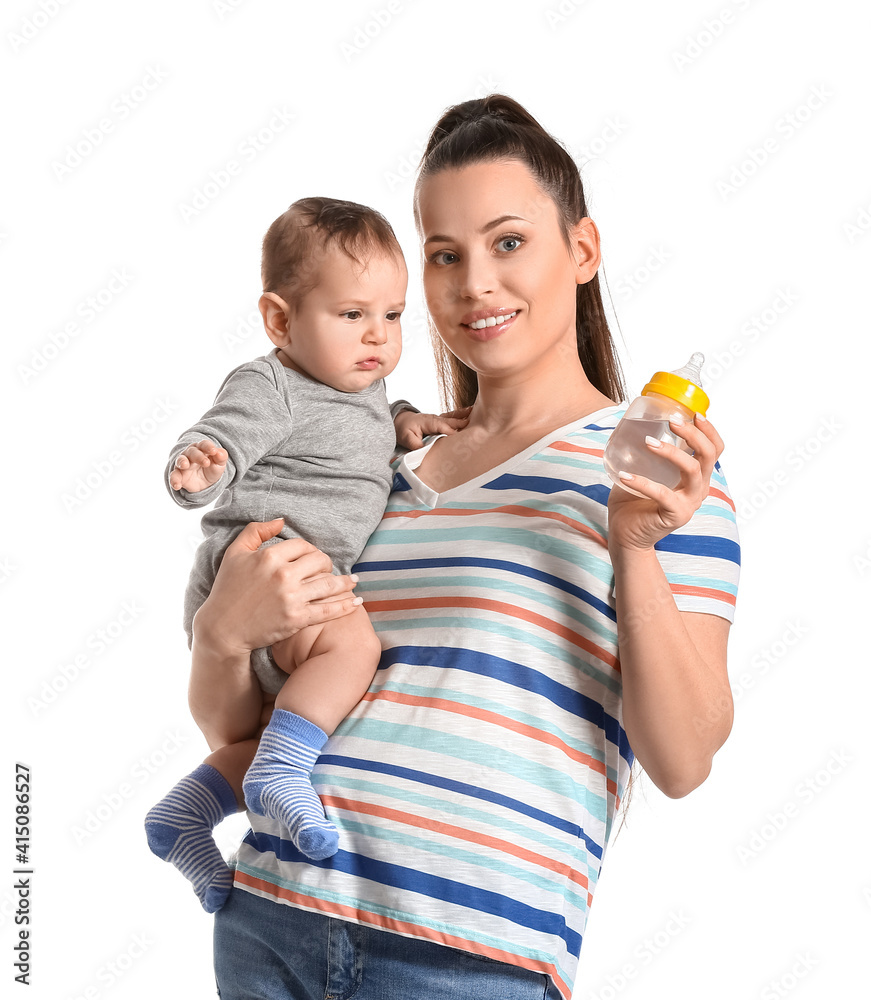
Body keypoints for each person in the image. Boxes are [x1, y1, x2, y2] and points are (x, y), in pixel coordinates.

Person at [193, 96, 740, 1000]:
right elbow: (252, 737)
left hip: (464, 957)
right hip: (271, 918)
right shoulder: (375, 469)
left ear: (583, 250)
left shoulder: (653, 474)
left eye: (508, 242)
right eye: (444, 256)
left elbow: (682, 760)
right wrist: (222, 635)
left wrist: (633, 548)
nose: (474, 283)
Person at [144, 196, 469, 912]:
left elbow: (364, 424)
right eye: (352, 315)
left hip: (283, 579)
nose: (377, 337)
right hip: (269, 560)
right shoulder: (272, 384)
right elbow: (224, 434)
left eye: (391, 316)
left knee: (262, 725)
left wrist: (406, 424)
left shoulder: (360, 385)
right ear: (280, 320)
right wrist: (203, 467)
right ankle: (281, 775)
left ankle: (185, 816)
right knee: (353, 648)